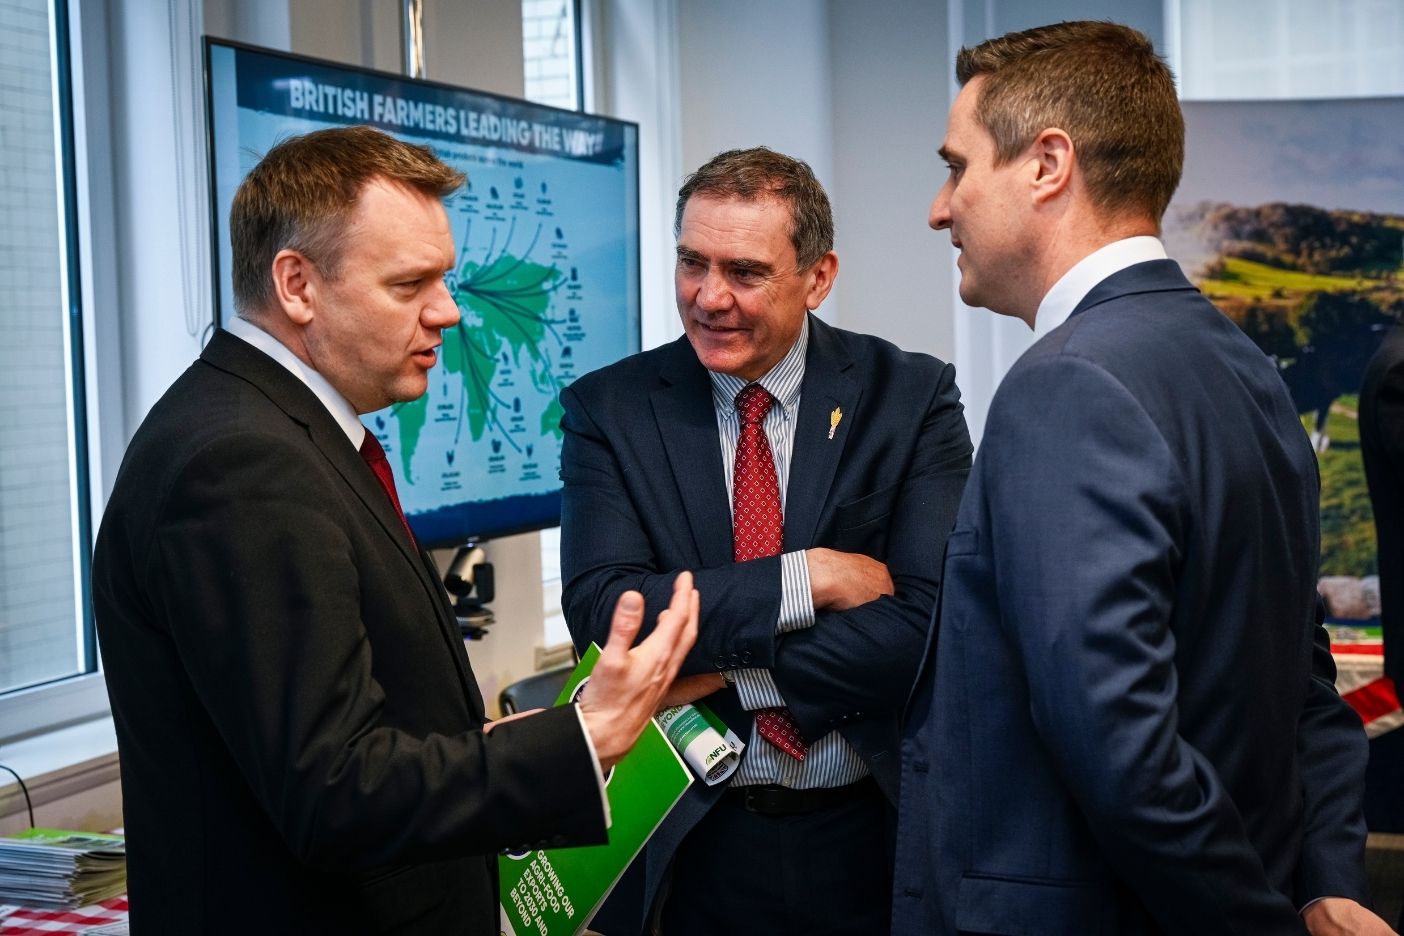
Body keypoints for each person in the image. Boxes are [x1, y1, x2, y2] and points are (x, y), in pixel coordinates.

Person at [92, 126, 698, 936]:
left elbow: (342, 730)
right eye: (411, 283)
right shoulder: (241, 464)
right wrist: (580, 742)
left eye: (443, 279)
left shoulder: (281, 430)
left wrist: (497, 738)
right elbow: (333, 793)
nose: (448, 312)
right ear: (298, 284)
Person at [893, 21, 1391, 936]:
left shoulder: (1068, 386)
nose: (939, 206)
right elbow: (1306, 683)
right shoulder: (1244, 366)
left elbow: (1120, 750)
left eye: (957, 167)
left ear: (1048, 164)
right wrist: (1326, 885)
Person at [559, 146, 972, 935]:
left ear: (817, 277)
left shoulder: (910, 399)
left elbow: (929, 626)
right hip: (693, 843)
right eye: (691, 263)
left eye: (744, 272)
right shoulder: (609, 411)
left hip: (872, 828)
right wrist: (804, 579)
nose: (709, 298)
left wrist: (712, 674)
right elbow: (605, 611)